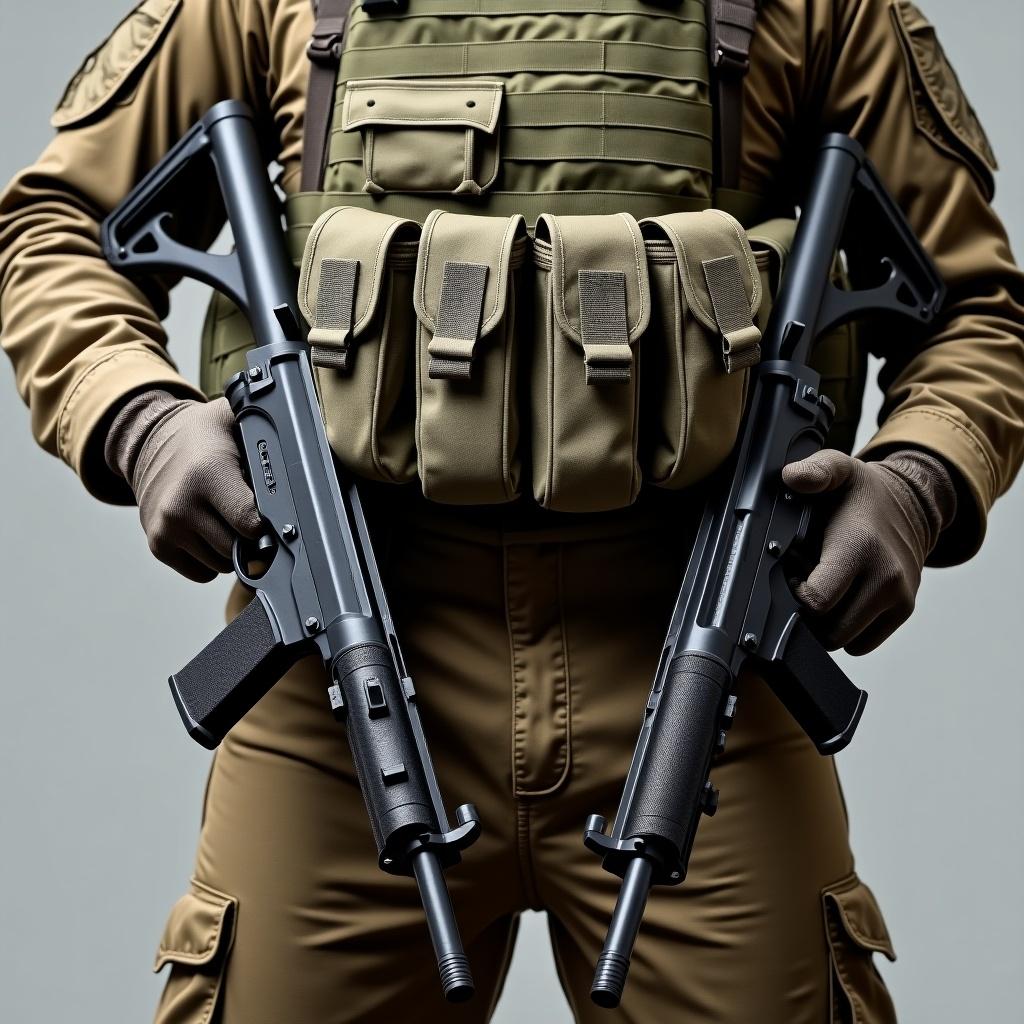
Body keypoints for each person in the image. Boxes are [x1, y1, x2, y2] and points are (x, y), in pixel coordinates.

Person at [1, 1, 1022, 1021]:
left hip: (705, 657)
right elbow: (54, 230)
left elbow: (975, 305)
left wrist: (918, 481)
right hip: (341, 658)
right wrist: (139, 419)